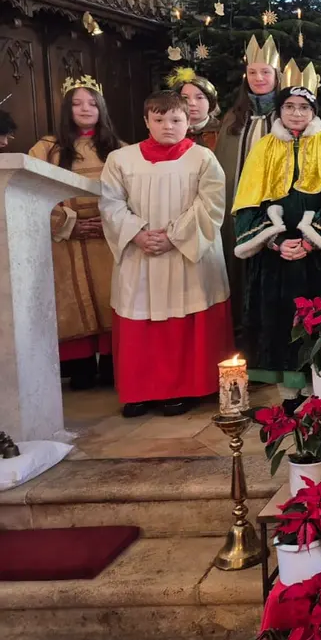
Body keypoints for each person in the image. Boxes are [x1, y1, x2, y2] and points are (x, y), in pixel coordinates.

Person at [232, 61, 321, 411]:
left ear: (313, 111)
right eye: (289, 107)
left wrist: (309, 240)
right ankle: (289, 394)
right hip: (274, 255)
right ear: (279, 111)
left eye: (304, 107)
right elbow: (248, 200)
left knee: (317, 319)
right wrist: (274, 240)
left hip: (316, 254)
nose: (296, 113)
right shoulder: (263, 149)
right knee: (279, 319)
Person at [99, 91, 231, 417]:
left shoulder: (202, 158)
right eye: (159, 119)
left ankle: (184, 388)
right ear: (146, 121)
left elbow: (211, 205)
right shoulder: (121, 160)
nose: (167, 126)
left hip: (186, 254)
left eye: (175, 119)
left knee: (184, 315)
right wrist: (137, 234)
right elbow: (111, 204)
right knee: (139, 315)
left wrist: (173, 237)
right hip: (139, 252)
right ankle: (139, 390)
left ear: (188, 122)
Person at [30, 76, 123, 390]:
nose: (85, 109)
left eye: (92, 103)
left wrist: (110, 221)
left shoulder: (119, 149)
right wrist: (67, 224)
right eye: (77, 103)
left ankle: (111, 363)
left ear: (102, 108)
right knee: (75, 301)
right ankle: (80, 366)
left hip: (107, 237)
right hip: (67, 240)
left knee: (110, 297)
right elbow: (31, 192)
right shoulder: (46, 149)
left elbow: (134, 194)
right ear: (66, 109)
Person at [214, 36, 281, 340]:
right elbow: (222, 165)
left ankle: (270, 328)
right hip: (237, 204)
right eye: (252, 72)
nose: (258, 78)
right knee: (237, 259)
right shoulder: (233, 117)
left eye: (265, 72)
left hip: (273, 206)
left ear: (276, 76)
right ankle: (240, 327)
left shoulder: (286, 115)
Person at [166, 67, 220, 149]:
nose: (192, 103)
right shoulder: (169, 130)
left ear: (210, 101)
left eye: (199, 97)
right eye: (185, 98)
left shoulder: (221, 132)